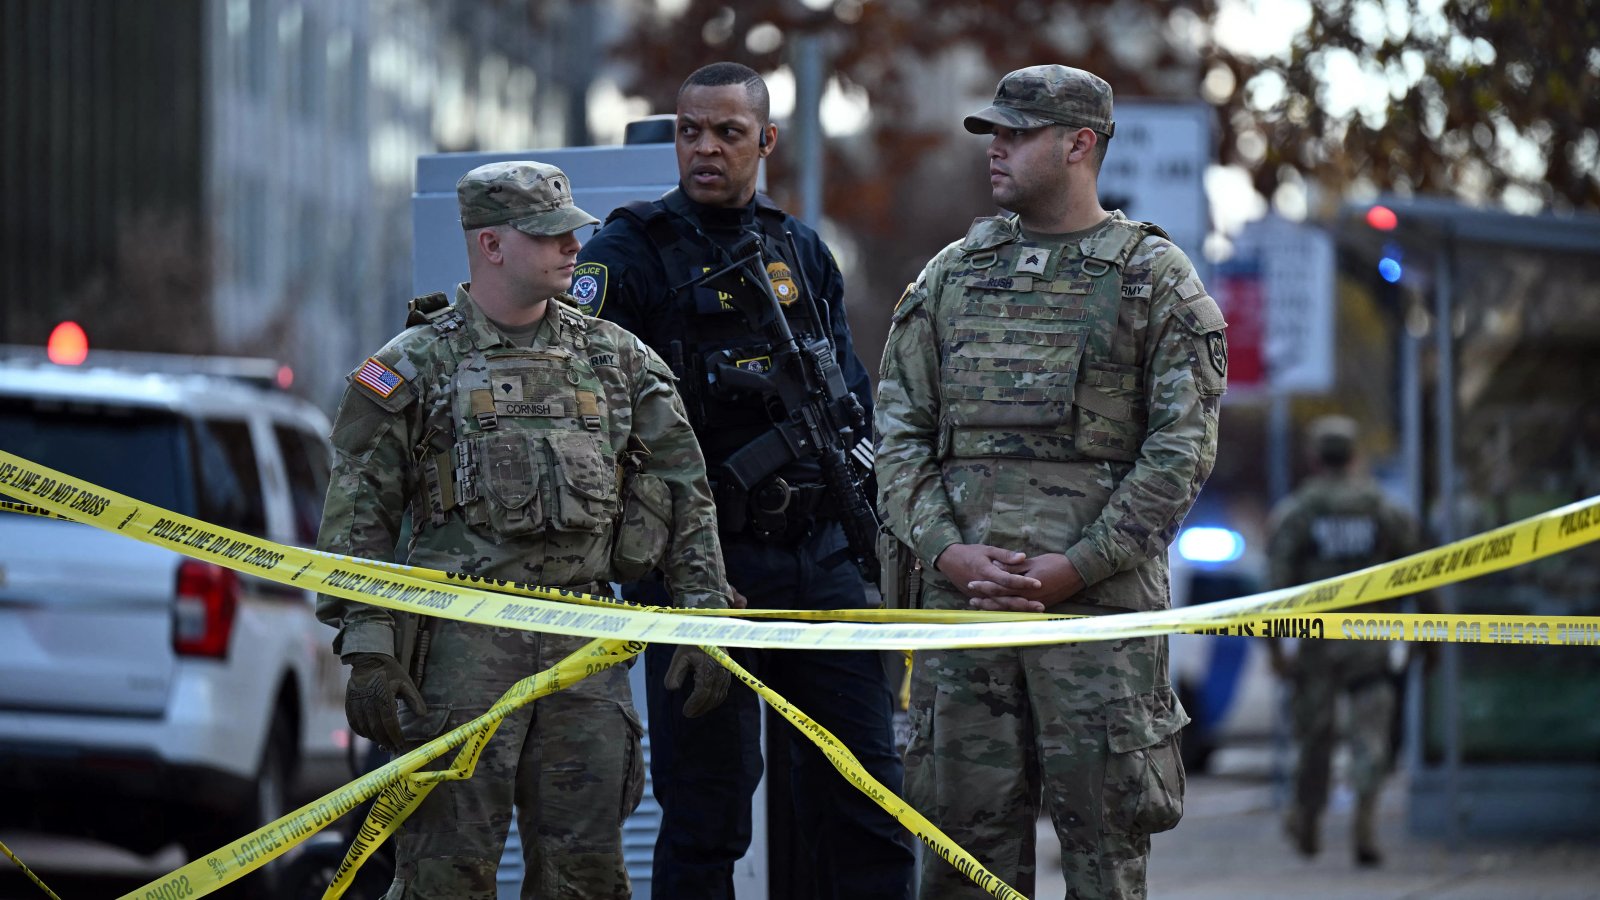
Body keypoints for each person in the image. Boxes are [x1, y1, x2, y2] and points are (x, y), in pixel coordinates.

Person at [315, 160, 735, 899]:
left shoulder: (617, 360)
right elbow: (359, 514)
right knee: (445, 872)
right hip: (457, 652)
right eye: (547, 236)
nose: (571, 248)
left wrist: (705, 614)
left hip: (585, 642)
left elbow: (684, 489)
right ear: (490, 245)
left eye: (572, 232)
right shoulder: (414, 365)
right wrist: (369, 649)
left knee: (585, 876)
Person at [875, 64, 1228, 899]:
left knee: (1106, 857)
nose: (995, 150)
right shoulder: (952, 276)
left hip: (1096, 627)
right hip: (966, 626)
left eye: (1016, 133)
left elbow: (1181, 453)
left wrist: (1081, 566)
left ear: (1080, 144)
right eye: (993, 133)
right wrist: (948, 552)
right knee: (961, 861)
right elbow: (898, 436)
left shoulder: (1153, 280)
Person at [573, 62, 914, 900]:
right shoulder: (632, 250)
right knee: (706, 816)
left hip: (820, 560)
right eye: (691, 130)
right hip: (702, 573)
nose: (705, 148)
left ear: (765, 140)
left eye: (728, 132)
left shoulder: (801, 250)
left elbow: (851, 399)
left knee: (868, 801)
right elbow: (582, 400)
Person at [1266, 414, 1423, 867]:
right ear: (1356, 455)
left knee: (1315, 735)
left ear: (1315, 458)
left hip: (1316, 645)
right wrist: (1424, 639)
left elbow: (1276, 585)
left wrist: (1277, 650)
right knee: (1370, 736)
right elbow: (1421, 573)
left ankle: (1308, 819)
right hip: (1371, 641)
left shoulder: (1298, 511)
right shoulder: (1383, 509)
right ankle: (1365, 823)